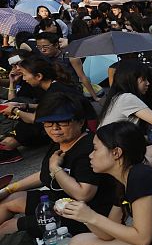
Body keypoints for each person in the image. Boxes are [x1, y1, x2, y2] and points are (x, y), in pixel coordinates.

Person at [0, 92, 114, 237]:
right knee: (7, 201)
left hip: (82, 215)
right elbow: (44, 175)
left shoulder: (89, 149)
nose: (55, 128)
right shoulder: (61, 142)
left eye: (62, 122)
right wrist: (9, 189)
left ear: (80, 121)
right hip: (58, 201)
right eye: (48, 122)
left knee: (8, 226)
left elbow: (83, 194)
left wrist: (56, 168)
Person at [98, 62, 152, 176]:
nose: (148, 83)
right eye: (144, 80)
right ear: (132, 80)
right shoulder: (127, 98)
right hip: (115, 155)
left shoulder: (117, 97)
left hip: (112, 152)